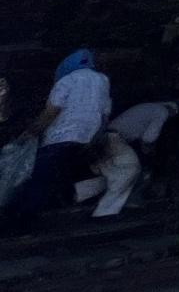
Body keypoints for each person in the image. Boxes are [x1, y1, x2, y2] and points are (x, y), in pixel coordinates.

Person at [3, 49, 111, 224]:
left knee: (38, 178)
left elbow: (51, 112)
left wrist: (31, 132)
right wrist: (95, 138)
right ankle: (62, 207)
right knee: (63, 173)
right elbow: (105, 114)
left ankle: (21, 218)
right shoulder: (103, 80)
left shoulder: (67, 80)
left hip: (60, 137)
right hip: (86, 137)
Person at [82, 100, 179, 219]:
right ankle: (106, 211)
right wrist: (149, 151)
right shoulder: (162, 111)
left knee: (114, 173)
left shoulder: (148, 108)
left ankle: (79, 192)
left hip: (105, 138)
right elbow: (149, 138)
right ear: (173, 110)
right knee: (132, 169)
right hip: (115, 139)